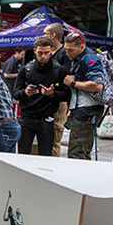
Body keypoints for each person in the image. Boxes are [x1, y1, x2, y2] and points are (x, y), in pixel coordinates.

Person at [12, 36, 70, 156]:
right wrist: (25, 93)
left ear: (51, 51)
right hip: (27, 117)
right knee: (23, 153)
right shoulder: (26, 69)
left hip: (46, 117)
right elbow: (16, 93)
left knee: (45, 154)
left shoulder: (59, 70)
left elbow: (66, 95)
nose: (43, 56)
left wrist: (52, 94)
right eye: (40, 53)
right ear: (35, 51)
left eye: (46, 53)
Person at [63, 32, 105, 160]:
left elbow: (97, 85)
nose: (67, 53)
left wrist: (73, 83)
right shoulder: (77, 59)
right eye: (66, 49)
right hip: (81, 108)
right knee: (81, 151)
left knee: (77, 154)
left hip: (87, 110)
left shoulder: (89, 59)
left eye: (71, 50)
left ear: (81, 47)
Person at [43, 23, 70, 157]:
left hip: (58, 101)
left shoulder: (64, 54)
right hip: (45, 101)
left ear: (53, 35)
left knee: (55, 136)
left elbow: (65, 79)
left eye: (45, 33)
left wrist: (55, 88)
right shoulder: (51, 55)